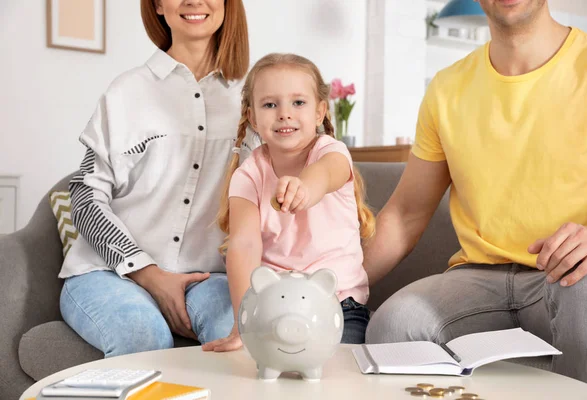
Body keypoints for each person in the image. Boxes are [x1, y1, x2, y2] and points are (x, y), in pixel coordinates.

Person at [363, 0, 587, 387]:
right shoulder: (447, 87)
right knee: (393, 327)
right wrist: (331, 283)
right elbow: (405, 214)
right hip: (476, 280)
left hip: (569, 278)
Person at [59, 0, 253, 357]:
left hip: (209, 278)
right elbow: (86, 197)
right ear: (159, 6)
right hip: (109, 273)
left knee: (245, 341)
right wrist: (147, 271)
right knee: (143, 337)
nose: (194, 1)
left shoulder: (252, 99)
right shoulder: (126, 90)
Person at [201, 53, 375, 352]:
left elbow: (326, 174)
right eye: (270, 104)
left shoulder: (331, 152)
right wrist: (244, 323)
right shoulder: (248, 175)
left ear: (320, 111)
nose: (284, 114)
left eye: (298, 102)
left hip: (339, 306)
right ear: (253, 117)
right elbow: (243, 245)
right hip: (273, 308)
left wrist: (305, 187)